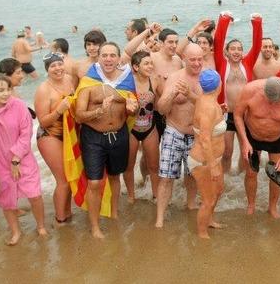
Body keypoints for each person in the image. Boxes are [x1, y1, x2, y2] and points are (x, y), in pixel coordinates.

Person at [0, 70, 46, 245]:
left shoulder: (19, 105)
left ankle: (41, 226)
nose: (6, 93)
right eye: (0, 90)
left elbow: (26, 132)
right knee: (6, 200)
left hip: (23, 158)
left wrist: (16, 158)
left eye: (7, 89)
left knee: (34, 194)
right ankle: (15, 232)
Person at [74, 42, 139, 238]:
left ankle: (114, 214)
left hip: (119, 135)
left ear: (119, 59)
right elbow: (79, 115)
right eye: (105, 55)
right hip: (94, 137)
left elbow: (133, 108)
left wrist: (132, 108)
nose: (108, 59)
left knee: (115, 176)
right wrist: (98, 111)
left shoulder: (127, 80)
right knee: (94, 182)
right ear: (99, 58)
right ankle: (95, 226)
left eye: (112, 55)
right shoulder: (89, 81)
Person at [234, 77, 280, 218]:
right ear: (263, 92)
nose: (273, 104)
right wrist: (244, 141)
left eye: (278, 101)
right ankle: (251, 205)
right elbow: (237, 115)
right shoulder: (250, 90)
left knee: (277, 174)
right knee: (251, 172)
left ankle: (272, 207)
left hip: (277, 138)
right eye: (270, 100)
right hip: (252, 136)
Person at [154, 43, 204, 228]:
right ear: (184, 59)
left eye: (200, 59)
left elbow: (209, 107)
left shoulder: (207, 77)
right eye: (193, 59)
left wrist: (190, 95)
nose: (197, 63)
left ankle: (190, 205)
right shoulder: (175, 77)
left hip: (196, 135)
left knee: (193, 176)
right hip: (174, 131)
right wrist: (172, 94)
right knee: (166, 177)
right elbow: (161, 109)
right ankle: (160, 218)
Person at [213, 11, 262, 173]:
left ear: (242, 52)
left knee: (246, 151)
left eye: (239, 49)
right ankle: (225, 180)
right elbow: (218, 41)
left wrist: (257, 22)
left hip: (246, 115)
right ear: (226, 52)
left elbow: (256, 45)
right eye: (232, 49)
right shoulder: (222, 64)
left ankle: (240, 179)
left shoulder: (247, 63)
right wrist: (224, 20)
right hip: (227, 115)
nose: (236, 52)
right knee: (226, 152)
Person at [33, 53, 75, 225]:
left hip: (68, 134)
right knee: (63, 180)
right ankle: (60, 219)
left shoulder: (69, 79)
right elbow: (42, 121)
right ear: (47, 70)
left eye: (59, 64)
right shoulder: (43, 89)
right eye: (53, 66)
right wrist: (59, 110)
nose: (57, 68)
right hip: (49, 135)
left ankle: (67, 212)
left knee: (71, 177)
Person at [189, 69, 227, 238]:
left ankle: (209, 220)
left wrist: (221, 112)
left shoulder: (209, 101)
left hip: (213, 159)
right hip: (203, 162)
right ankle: (202, 233)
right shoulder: (208, 107)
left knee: (218, 190)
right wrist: (212, 166)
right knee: (208, 199)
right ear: (219, 84)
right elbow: (204, 139)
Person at [123, 50, 163, 202]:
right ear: (135, 67)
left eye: (151, 63)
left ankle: (156, 195)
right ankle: (131, 196)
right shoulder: (127, 82)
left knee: (154, 166)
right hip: (131, 129)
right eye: (146, 63)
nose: (150, 66)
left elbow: (164, 99)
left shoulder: (155, 80)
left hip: (150, 128)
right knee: (128, 166)